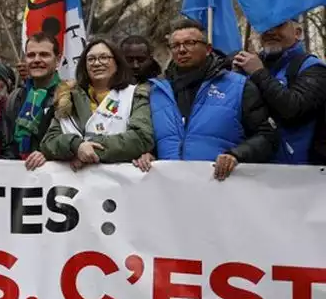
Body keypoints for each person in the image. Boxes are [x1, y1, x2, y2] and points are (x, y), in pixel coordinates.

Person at [136, 18, 277, 179]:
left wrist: (237, 155)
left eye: (190, 43)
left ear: (208, 49)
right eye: (175, 45)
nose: (182, 50)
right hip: (170, 193)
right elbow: (153, 139)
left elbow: (267, 136)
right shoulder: (157, 91)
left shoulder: (238, 86)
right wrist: (148, 154)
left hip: (222, 189)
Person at [39, 39, 155, 169]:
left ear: (117, 62)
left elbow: (141, 138)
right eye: (91, 59)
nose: (97, 63)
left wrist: (90, 150)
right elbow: (49, 142)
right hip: (76, 183)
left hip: (120, 183)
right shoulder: (67, 98)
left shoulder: (134, 95)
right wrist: (76, 146)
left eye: (104, 58)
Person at [231, 17, 326, 165]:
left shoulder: (314, 68)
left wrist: (259, 73)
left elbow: (293, 109)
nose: (270, 31)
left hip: (300, 174)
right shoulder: (248, 66)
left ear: (297, 32)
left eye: (279, 25)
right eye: (265, 25)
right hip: (252, 170)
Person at [0, 33, 62, 168]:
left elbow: (75, 139)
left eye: (44, 55)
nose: (37, 60)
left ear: (57, 60)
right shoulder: (14, 98)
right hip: (19, 179)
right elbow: (6, 144)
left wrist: (48, 154)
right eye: (31, 55)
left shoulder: (70, 95)